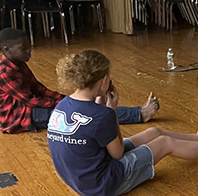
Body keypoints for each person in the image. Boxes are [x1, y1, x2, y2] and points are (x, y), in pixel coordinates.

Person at [47, 49, 198, 196]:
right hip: (104, 185)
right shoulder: (103, 115)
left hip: (81, 181)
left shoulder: (62, 106)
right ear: (104, 80)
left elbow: (91, 133)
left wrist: (103, 109)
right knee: (164, 143)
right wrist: (112, 111)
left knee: (153, 132)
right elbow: (117, 153)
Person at [0, 28, 159, 134]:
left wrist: (64, 99)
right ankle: (139, 114)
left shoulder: (19, 63)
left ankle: (137, 112)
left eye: (29, 46)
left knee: (84, 107)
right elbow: (31, 101)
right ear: (7, 50)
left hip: (29, 108)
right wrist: (66, 104)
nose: (29, 51)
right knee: (84, 111)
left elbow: (39, 88)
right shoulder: (5, 72)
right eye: (23, 48)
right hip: (21, 115)